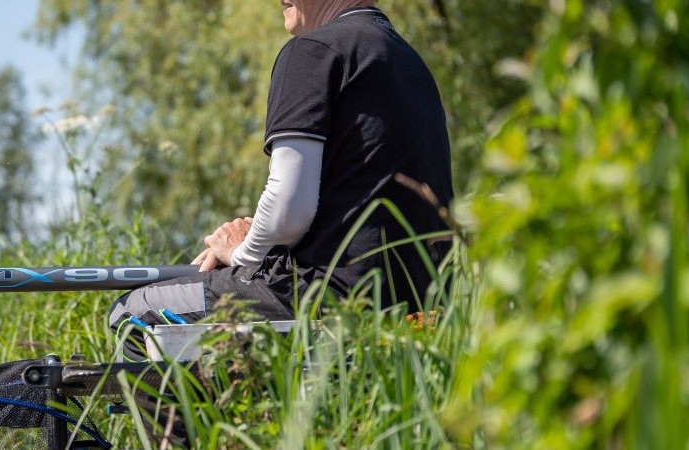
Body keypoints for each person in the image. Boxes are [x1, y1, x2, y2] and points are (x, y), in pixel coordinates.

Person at [106, 0, 454, 361]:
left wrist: (241, 253)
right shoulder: (408, 62)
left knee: (132, 313)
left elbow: (287, 211)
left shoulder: (314, 51)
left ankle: (202, 420)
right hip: (418, 306)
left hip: (327, 300)